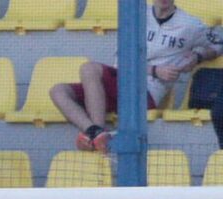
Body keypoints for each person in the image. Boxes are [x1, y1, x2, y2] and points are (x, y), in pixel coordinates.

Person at [50, 0, 215, 153]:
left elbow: (218, 43)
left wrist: (197, 56)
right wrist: (154, 70)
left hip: (147, 92)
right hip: (122, 83)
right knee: (58, 90)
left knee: (89, 68)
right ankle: (95, 131)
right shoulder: (137, 16)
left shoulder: (190, 24)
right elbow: (122, 61)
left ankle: (95, 134)